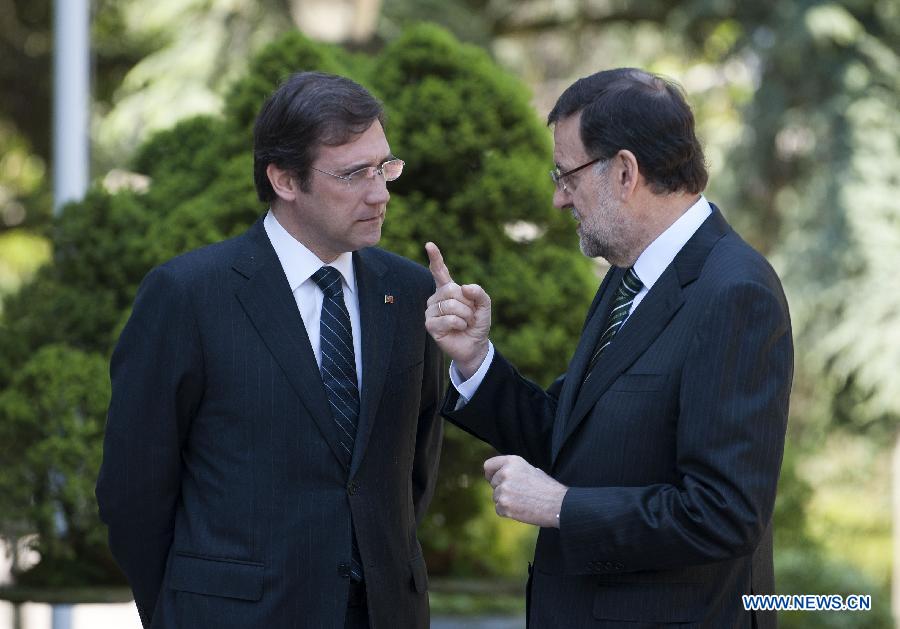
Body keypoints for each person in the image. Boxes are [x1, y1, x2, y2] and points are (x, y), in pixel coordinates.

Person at [424, 67, 792, 628]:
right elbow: (573, 440)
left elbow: (725, 514)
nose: (557, 199)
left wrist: (561, 507)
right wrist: (475, 359)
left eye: (566, 176)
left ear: (624, 171)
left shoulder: (735, 292)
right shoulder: (630, 275)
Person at [96, 71, 443, 629]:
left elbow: (414, 469)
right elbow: (133, 491)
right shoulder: (189, 295)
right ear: (284, 179)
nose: (379, 193)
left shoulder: (411, 292)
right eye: (353, 174)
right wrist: (178, 612)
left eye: (384, 167)